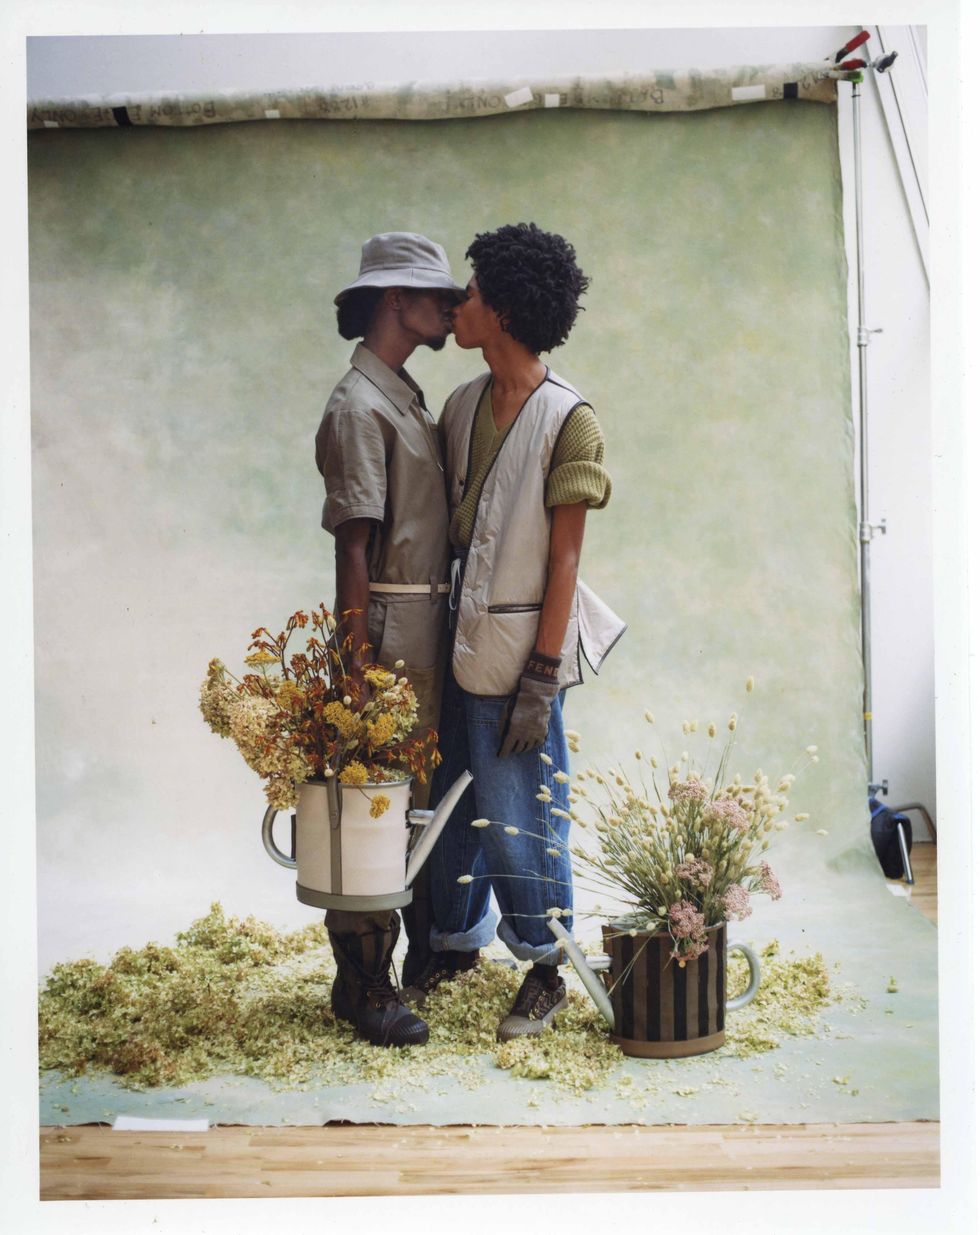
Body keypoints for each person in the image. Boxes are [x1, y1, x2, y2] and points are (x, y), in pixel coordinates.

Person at [404, 222, 625, 1041]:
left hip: (518, 656)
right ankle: (452, 943)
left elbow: (564, 561)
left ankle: (543, 963)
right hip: (452, 645)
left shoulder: (571, 422)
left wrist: (542, 675)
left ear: (498, 308)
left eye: (468, 295)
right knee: (452, 801)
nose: (458, 307)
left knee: (520, 808)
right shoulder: (461, 406)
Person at [314, 231, 464, 1047]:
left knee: (405, 803)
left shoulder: (400, 393)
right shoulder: (358, 406)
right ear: (393, 301)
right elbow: (354, 546)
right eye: (433, 293)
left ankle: (377, 971)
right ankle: (365, 981)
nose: (449, 306)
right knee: (373, 798)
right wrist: (357, 667)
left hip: (426, 620)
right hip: (388, 626)